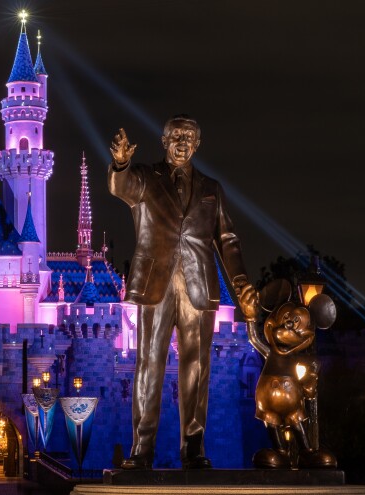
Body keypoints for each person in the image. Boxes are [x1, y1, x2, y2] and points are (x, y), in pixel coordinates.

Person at [108, 115, 258, 469]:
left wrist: (240, 285)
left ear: (197, 144)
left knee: (196, 367)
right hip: (156, 285)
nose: (181, 141)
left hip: (197, 287)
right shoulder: (145, 179)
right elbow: (120, 186)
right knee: (148, 365)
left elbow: (228, 240)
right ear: (163, 141)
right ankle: (142, 449)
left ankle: (193, 447)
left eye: (188, 136)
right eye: (175, 135)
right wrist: (120, 162)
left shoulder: (211, 189)